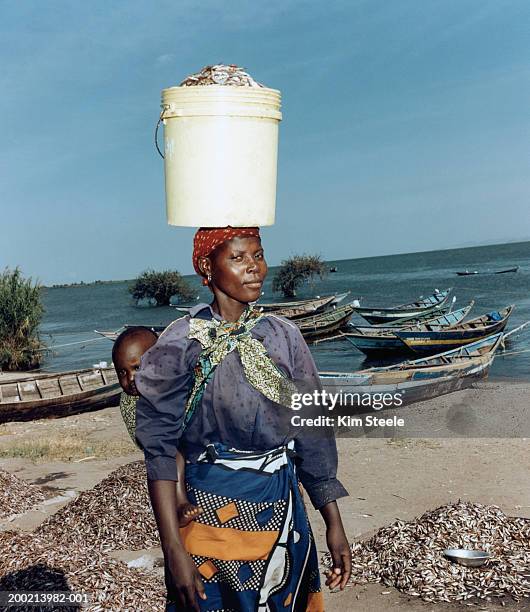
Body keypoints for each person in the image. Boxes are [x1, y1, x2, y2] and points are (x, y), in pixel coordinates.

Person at [135, 227, 351, 611]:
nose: (254, 268)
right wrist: (172, 551)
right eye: (238, 258)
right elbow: (161, 453)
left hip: (281, 517)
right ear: (206, 266)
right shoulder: (181, 341)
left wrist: (333, 523)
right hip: (207, 522)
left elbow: (312, 433)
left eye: (258, 255)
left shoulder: (283, 336)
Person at [112, 326, 201, 527]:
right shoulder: (129, 401)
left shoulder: (176, 379)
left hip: (187, 436)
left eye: (137, 368)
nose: (131, 379)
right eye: (122, 372)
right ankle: (179, 502)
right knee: (171, 453)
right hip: (163, 445)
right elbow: (148, 439)